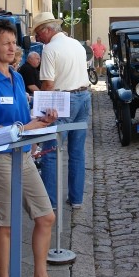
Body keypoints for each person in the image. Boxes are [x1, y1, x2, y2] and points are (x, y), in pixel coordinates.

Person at [0, 19, 71, 277]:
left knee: (45, 216)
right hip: (1, 159)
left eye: (14, 42)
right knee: (6, 226)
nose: (12, 47)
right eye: (6, 43)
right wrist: (26, 126)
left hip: (24, 154)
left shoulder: (16, 78)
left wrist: (43, 118)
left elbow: (23, 116)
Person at [33, 11, 91, 209]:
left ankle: (51, 202)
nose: (36, 38)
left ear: (47, 30)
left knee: (50, 152)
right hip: (84, 97)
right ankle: (76, 199)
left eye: (38, 34)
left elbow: (48, 85)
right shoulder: (76, 44)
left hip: (63, 98)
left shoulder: (49, 49)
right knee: (77, 152)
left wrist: (38, 109)